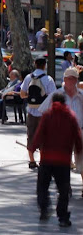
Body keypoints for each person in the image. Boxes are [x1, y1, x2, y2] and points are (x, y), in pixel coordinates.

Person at [32, 93, 82, 228]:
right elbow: (77, 135)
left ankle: (44, 209)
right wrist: (78, 149)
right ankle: (63, 217)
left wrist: (33, 146)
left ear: (52, 102)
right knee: (63, 190)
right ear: (64, 102)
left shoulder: (47, 115)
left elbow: (39, 133)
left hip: (47, 158)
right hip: (63, 160)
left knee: (42, 186)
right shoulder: (71, 116)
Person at [37, 67, 83, 197]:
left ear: (76, 80)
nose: (71, 81)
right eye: (68, 78)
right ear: (64, 80)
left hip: (80, 130)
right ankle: (66, 186)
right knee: (65, 162)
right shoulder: (56, 95)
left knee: (82, 161)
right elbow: (44, 111)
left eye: (73, 79)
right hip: (63, 134)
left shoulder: (81, 95)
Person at [20, 58, 57, 169]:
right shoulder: (48, 79)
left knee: (30, 135)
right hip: (44, 113)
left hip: (31, 110)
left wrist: (30, 97)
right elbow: (53, 96)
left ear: (35, 64)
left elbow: (22, 94)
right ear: (44, 65)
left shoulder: (28, 77)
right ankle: (42, 160)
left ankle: (32, 161)